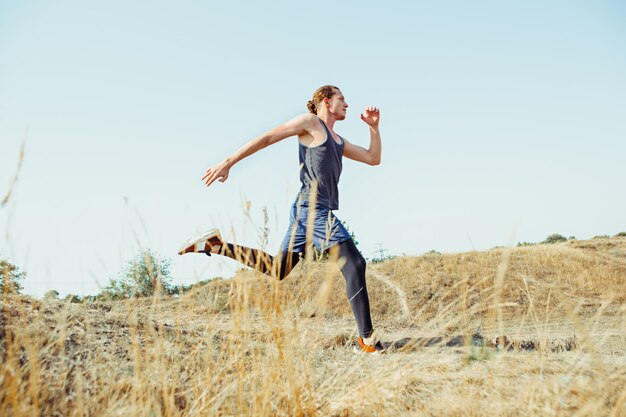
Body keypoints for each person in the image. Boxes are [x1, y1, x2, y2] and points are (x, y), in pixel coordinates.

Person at [179, 85, 384, 353]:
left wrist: (374, 128)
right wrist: (228, 162)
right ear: (325, 101)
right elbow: (267, 138)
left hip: (307, 212)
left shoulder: (338, 140)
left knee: (278, 269)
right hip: (312, 210)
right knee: (354, 263)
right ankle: (366, 342)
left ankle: (215, 245)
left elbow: (373, 158)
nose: (347, 103)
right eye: (342, 99)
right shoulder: (310, 123)